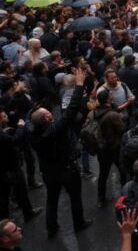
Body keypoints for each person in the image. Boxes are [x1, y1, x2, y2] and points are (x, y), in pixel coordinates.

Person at [30, 67, 92, 236]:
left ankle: (51, 227)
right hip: (66, 169)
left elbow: (33, 116)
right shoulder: (54, 130)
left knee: (52, 200)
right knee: (75, 197)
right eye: (48, 113)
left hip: (48, 172)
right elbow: (71, 110)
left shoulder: (32, 133)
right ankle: (78, 223)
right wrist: (79, 85)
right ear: (47, 119)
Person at [0, 110, 41, 221]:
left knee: (5, 196)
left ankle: (5, 222)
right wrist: (20, 127)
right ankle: (27, 214)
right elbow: (14, 140)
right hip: (10, 167)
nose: (6, 116)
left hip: (5, 168)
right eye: (4, 116)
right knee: (20, 191)